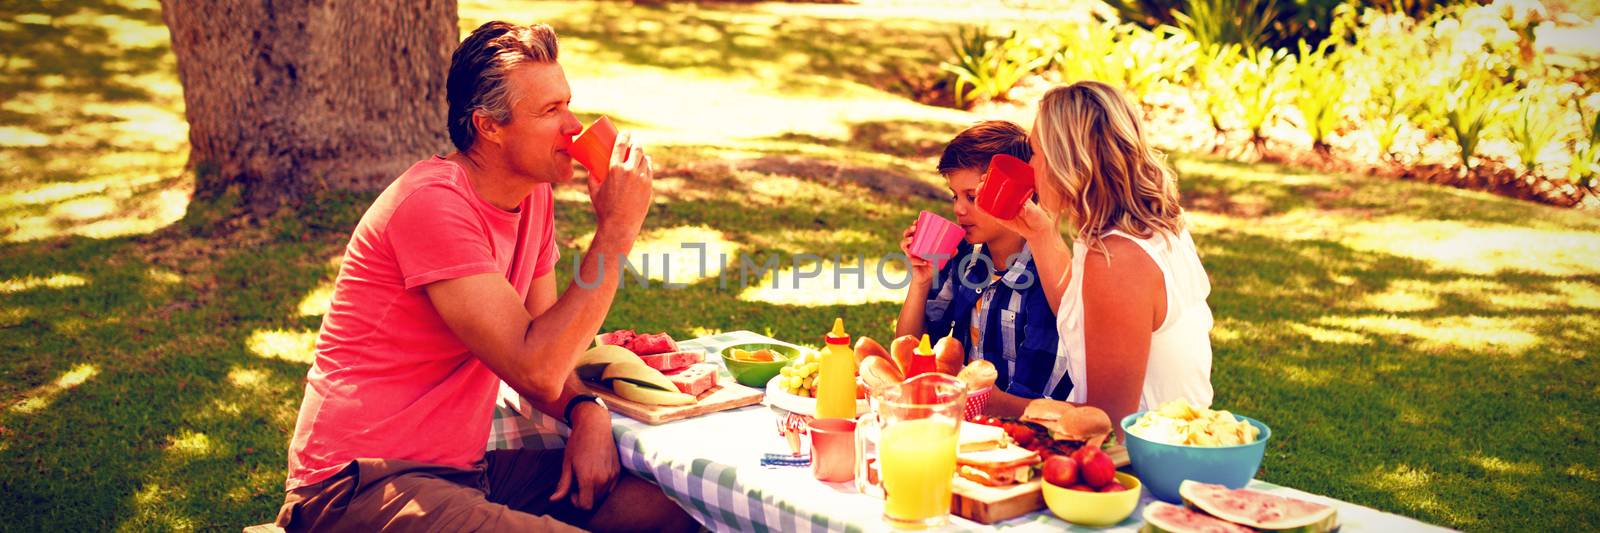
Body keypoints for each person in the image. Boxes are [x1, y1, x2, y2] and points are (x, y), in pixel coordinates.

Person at [276, 22, 697, 532]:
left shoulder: (532, 196)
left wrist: (586, 408)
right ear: (488, 126)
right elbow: (535, 368)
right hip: (357, 486)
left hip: (461, 475)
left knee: (672, 505)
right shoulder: (432, 205)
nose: (574, 126)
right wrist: (617, 229)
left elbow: (550, 350)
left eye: (567, 103)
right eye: (550, 111)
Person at [980, 81, 1215, 439]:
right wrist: (1041, 235)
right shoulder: (1141, 230)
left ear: (1067, 162)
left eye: (1036, 152)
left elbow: (1109, 422)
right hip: (1165, 448)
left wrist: (997, 403)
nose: (1031, 164)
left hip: (1146, 462)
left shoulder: (1119, 260)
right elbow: (1084, 319)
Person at [895, 120, 1068, 417]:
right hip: (966, 418)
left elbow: (1040, 402)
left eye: (972, 197)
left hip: (1024, 429)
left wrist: (969, 403)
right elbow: (913, 351)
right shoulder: (966, 260)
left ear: (1017, 193)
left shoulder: (1047, 281)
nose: (958, 209)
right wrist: (921, 280)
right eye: (955, 195)